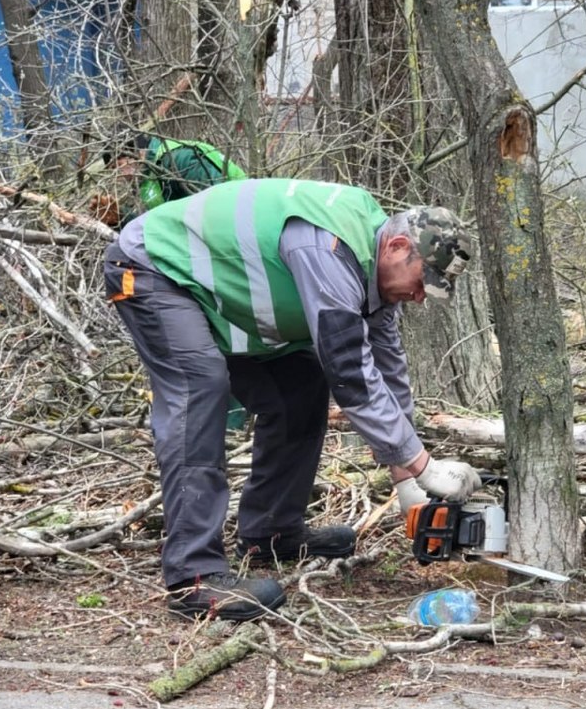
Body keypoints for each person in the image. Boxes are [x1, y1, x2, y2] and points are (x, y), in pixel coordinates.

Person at [103, 178, 483, 621]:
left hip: (208, 294)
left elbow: (386, 368)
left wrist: (407, 480)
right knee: (199, 387)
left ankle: (270, 532)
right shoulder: (329, 249)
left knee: (299, 385)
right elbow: (349, 370)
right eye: (423, 282)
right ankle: (194, 578)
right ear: (398, 247)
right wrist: (424, 466)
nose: (420, 297)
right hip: (153, 267)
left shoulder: (370, 266)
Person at [90, 135, 247, 228]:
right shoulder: (148, 177)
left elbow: (221, 209)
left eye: (118, 167)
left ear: (135, 153)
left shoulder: (179, 159)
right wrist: (122, 218)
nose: (119, 176)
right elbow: (161, 225)